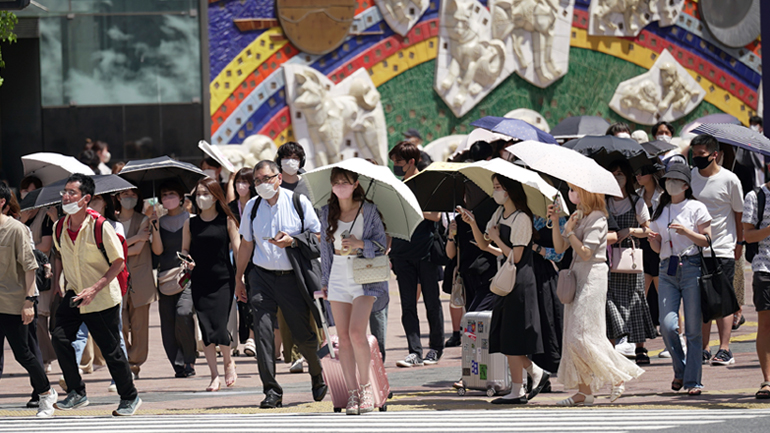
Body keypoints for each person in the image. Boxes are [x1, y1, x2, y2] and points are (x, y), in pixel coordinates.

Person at [234, 160, 327, 409]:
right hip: (261, 278)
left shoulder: (297, 202)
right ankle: (272, 390)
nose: (262, 184)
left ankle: (318, 372)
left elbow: (318, 236)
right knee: (262, 334)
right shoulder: (252, 207)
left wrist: (293, 241)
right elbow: (246, 244)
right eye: (257, 180)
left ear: (278, 178)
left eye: (266, 178)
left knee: (303, 335)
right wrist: (238, 278)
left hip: (292, 277)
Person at [50, 173, 140, 416]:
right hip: (75, 294)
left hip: (102, 296)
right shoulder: (60, 226)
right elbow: (60, 254)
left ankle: (129, 397)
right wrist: (59, 278)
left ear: (86, 199)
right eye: (64, 192)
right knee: (59, 337)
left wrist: (95, 288)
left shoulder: (101, 226)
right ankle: (77, 393)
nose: (66, 197)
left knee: (111, 350)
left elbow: (118, 262)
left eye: (72, 193)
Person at [549, 184, 644, 406]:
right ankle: (585, 391)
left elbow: (586, 251)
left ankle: (618, 374)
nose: (572, 193)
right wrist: (557, 222)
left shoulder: (599, 218)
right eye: (571, 189)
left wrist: (571, 231)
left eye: (576, 189)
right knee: (574, 335)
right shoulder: (578, 215)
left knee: (583, 335)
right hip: (577, 274)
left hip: (593, 276)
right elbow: (560, 248)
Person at [460, 174, 548, 405]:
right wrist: (472, 224)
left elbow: (516, 256)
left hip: (519, 281)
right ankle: (526, 381)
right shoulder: (499, 213)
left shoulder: (522, 218)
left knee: (512, 337)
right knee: (505, 337)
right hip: (506, 281)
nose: (495, 191)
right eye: (494, 187)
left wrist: (497, 238)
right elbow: (483, 244)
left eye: (498, 187)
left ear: (509, 190)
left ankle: (523, 384)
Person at [319, 167, 388, 415]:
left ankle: (366, 388)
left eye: (345, 182)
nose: (340, 186)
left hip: (364, 275)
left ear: (356, 184)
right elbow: (324, 252)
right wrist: (325, 282)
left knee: (357, 333)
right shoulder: (327, 212)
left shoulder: (368, 210)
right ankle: (351, 394)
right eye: (336, 182)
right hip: (337, 274)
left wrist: (361, 244)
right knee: (343, 339)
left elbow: (381, 244)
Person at [648, 164, 712, 395]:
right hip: (667, 268)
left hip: (692, 265)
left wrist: (687, 232)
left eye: (675, 180)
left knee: (694, 329)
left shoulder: (696, 207)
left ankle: (693, 380)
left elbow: (707, 240)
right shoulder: (660, 208)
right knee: (667, 325)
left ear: (685, 185)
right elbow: (657, 248)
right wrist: (652, 239)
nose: (670, 183)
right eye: (667, 180)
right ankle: (680, 369)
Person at [0, 183, 58, 417]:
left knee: (23, 353)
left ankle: (45, 393)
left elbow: (29, 266)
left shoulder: (16, 229)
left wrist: (28, 301)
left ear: (2, 202)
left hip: (14, 302)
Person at [388, 142, 445, 368]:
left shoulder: (427, 183)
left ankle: (436, 348)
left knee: (432, 302)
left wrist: (412, 210)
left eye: (399, 163)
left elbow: (436, 216)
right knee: (407, 304)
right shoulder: (396, 186)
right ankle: (414, 351)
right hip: (402, 253)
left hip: (426, 251)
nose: (396, 167)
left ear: (412, 161)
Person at [690, 134, 744, 366]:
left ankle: (725, 349)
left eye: (701, 155)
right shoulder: (690, 177)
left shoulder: (730, 180)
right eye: (694, 155)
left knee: (722, 299)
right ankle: (704, 347)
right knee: (701, 300)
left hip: (722, 247)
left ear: (715, 155)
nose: (697, 160)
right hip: (694, 249)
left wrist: (739, 244)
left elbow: (739, 215)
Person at [183, 178, 241, 392]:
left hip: (223, 280)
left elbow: (237, 248)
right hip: (200, 280)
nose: (201, 198)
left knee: (219, 325)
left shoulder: (227, 221)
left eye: (206, 193)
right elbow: (185, 250)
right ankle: (214, 375)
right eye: (198, 194)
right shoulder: (190, 223)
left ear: (216, 196)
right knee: (206, 330)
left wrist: (241, 276)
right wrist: (186, 260)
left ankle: (228, 363)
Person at [606, 160, 656, 364]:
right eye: (613, 173)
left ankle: (640, 347)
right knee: (610, 300)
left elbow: (648, 230)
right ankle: (610, 345)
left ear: (627, 177)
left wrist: (630, 231)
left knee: (635, 299)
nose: (617, 177)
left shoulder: (637, 201)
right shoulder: (604, 201)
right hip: (609, 258)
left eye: (620, 173)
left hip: (631, 257)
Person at [276, 142, 317, 372]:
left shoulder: (308, 187)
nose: (290, 161)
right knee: (285, 309)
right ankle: (293, 355)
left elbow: (317, 224)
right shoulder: (274, 188)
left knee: (310, 304)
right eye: (285, 157)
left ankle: (312, 351)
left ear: (301, 161)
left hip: (305, 253)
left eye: (294, 157)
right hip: (279, 255)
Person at [149, 181, 196, 378]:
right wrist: (155, 227)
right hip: (165, 277)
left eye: (172, 194)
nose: (168, 198)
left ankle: (189, 359)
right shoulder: (158, 221)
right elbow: (158, 251)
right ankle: (177, 364)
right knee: (168, 321)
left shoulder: (192, 219)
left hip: (187, 275)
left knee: (184, 313)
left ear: (181, 197)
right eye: (165, 195)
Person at [115, 189, 156, 379]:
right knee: (119, 324)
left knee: (140, 327)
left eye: (132, 194)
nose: (128, 198)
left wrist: (124, 245)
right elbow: (110, 251)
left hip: (139, 278)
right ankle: (124, 361)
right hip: (117, 279)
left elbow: (138, 248)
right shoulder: (110, 222)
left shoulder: (144, 220)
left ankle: (134, 364)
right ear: (117, 197)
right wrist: (135, 238)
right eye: (124, 194)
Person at [742, 170, 770, 399]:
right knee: (765, 326)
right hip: (765, 268)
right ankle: (767, 381)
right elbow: (748, 236)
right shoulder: (755, 196)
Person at [229, 168, 258, 359]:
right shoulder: (231, 207)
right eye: (238, 181)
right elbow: (234, 237)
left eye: (245, 181)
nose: (241, 185)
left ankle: (253, 338)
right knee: (241, 299)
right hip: (237, 258)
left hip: (257, 258)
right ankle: (244, 336)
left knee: (256, 297)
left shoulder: (258, 205)